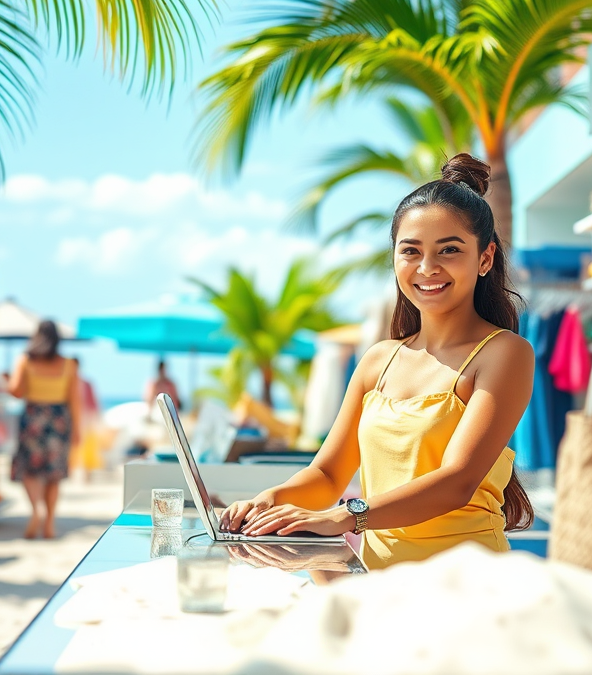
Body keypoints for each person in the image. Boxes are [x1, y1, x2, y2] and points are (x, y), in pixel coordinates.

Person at [220, 153, 535, 570]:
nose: (427, 267)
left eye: (449, 250)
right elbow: (328, 476)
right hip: (380, 588)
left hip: (466, 586)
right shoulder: (378, 361)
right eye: (411, 251)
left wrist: (346, 515)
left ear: (485, 258)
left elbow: (457, 481)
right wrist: (268, 502)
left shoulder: (505, 353)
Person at [7, 320, 81, 539]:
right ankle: (49, 523)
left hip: (33, 419)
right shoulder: (68, 365)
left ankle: (36, 510)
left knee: (29, 469)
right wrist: (77, 430)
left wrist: (6, 381)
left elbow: (16, 391)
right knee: (54, 474)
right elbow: (74, 400)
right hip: (58, 421)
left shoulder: (25, 360)